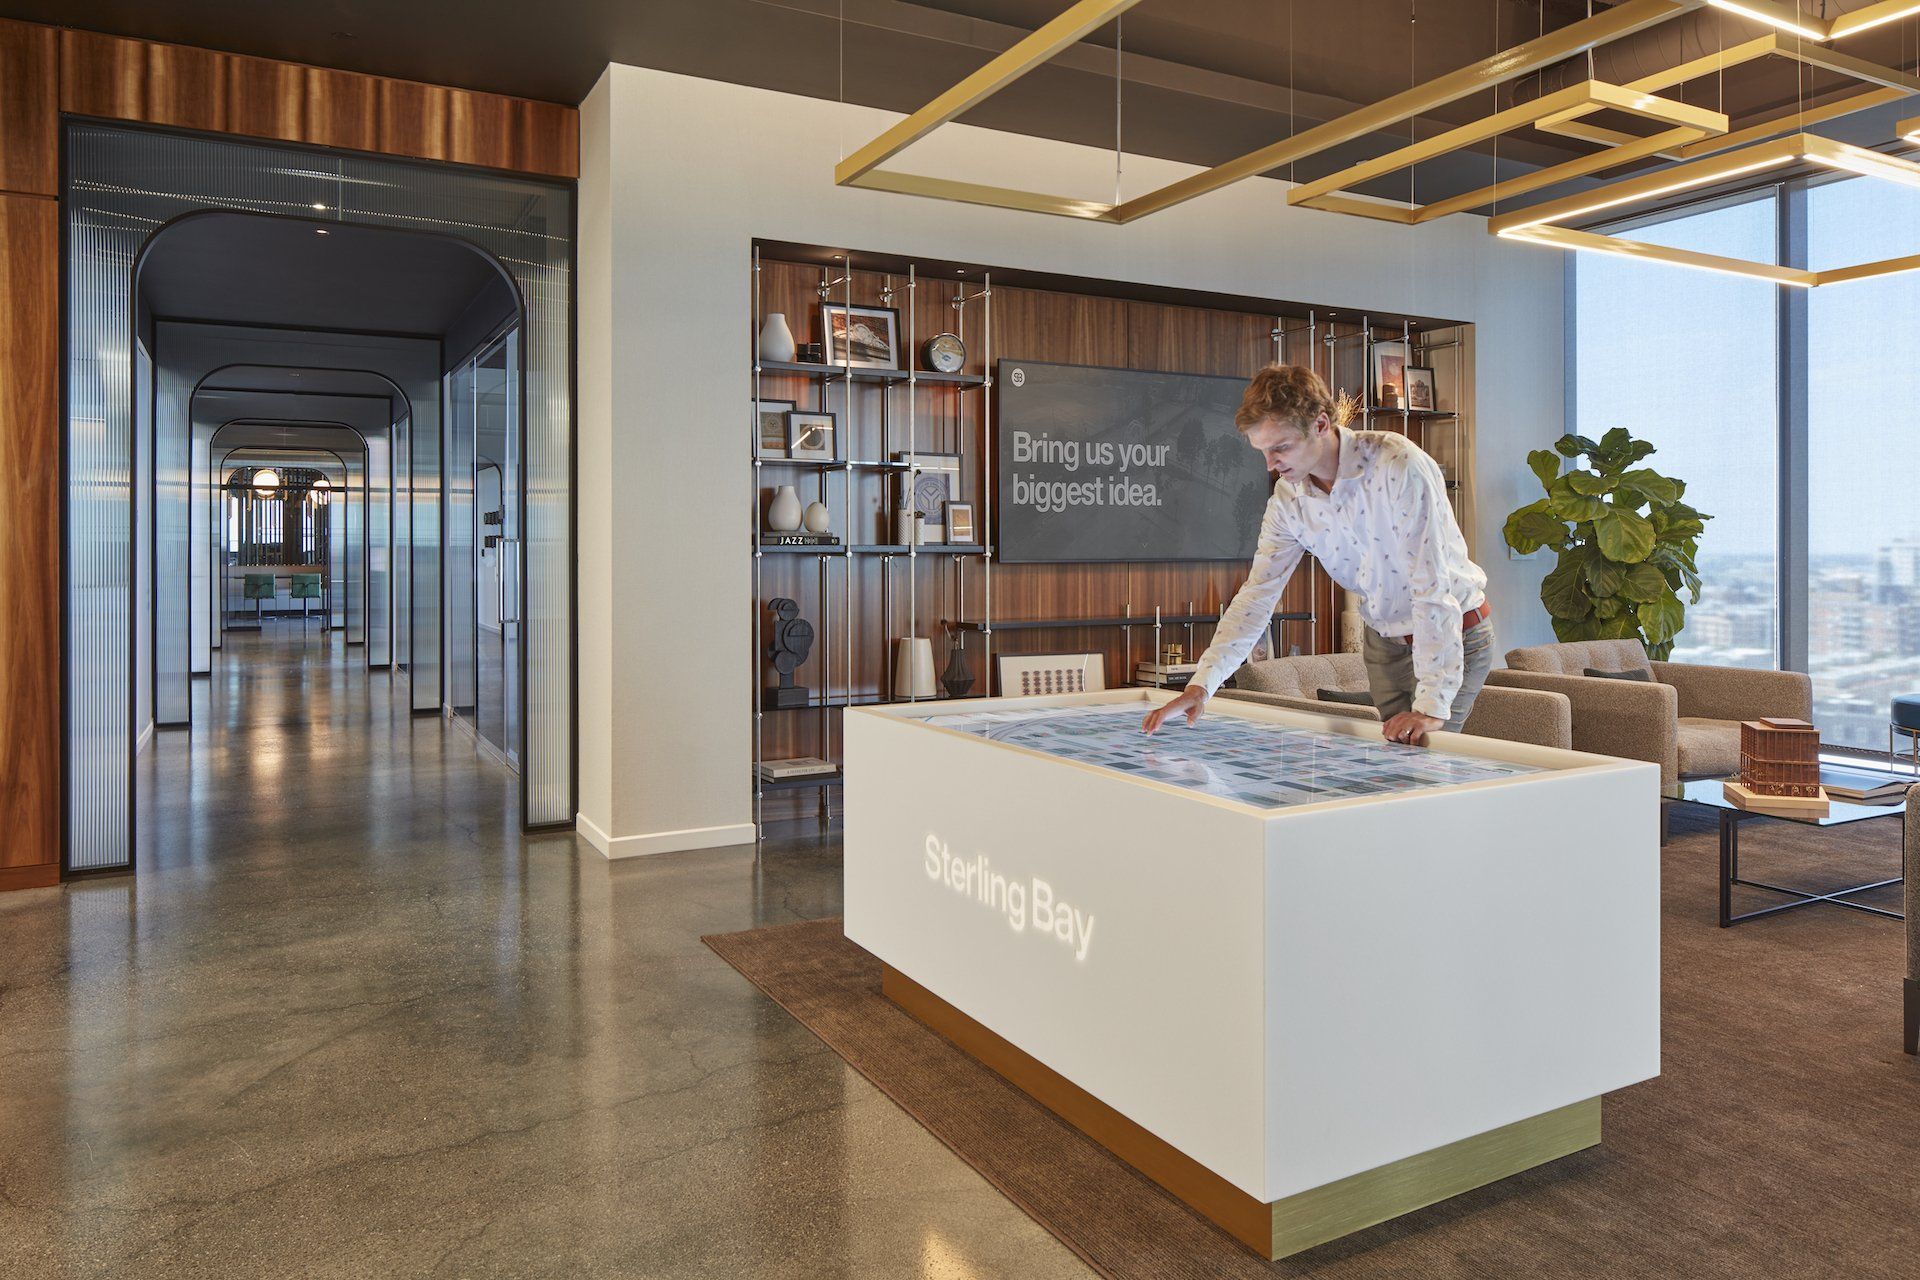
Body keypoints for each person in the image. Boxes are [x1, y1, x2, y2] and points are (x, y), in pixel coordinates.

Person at [1141, 363, 1492, 746]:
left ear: (1321, 425)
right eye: (1263, 451)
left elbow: (1432, 586)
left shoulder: (1397, 466)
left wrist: (1432, 704)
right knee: (1399, 769)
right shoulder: (1289, 502)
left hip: (1455, 629)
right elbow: (1257, 596)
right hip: (1383, 643)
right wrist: (1201, 686)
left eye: (1281, 447)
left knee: (1432, 757)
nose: (1271, 465)